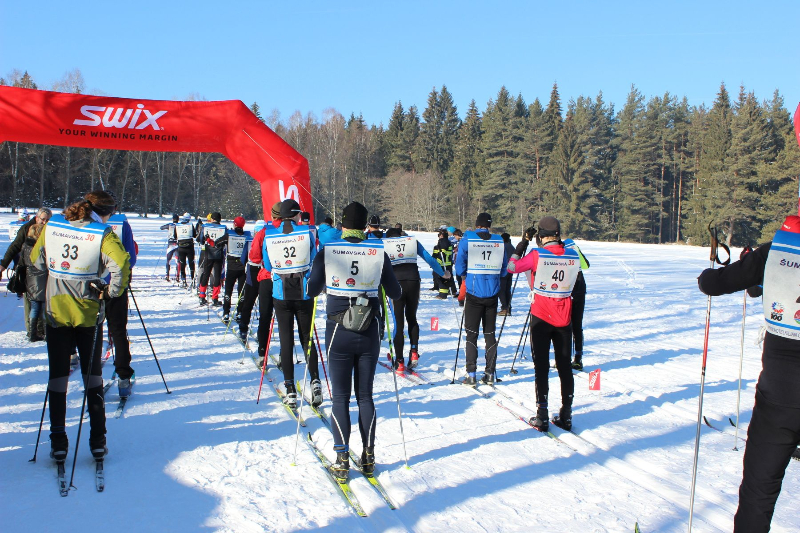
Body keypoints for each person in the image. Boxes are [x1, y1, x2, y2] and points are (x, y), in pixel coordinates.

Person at [697, 215, 800, 532]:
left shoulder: (777, 251)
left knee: (758, 493)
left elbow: (713, 283)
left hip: (780, 396)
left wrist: (713, 270)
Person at [31, 191, 131, 462]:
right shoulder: (103, 232)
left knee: (58, 379)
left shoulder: (52, 225)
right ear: (106, 212)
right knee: (92, 379)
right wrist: (112, 291)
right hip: (87, 313)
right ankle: (98, 442)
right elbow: (122, 262)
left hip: (56, 311)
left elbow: (36, 260)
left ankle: (58, 443)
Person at [307, 201, 402, 481]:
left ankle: (341, 458)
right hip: (369, 330)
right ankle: (369, 456)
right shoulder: (378, 251)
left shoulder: (328, 251)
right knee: (365, 396)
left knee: (340, 397)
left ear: (343, 225)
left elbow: (311, 290)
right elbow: (395, 293)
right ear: (365, 226)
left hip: (338, 331)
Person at [507, 216, 580, 432]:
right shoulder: (572, 254)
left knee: (541, 367)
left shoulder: (537, 254)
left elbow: (512, 267)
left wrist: (522, 244)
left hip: (541, 315)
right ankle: (566, 414)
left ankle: (542, 415)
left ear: (540, 235)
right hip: (564, 316)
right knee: (565, 366)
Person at [262, 199, 322, 407]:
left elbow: (267, 263)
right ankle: (314, 380)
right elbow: (315, 257)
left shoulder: (270, 235)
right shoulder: (307, 233)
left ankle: (289, 387)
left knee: (286, 339)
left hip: (281, 293)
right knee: (307, 338)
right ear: (296, 215)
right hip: (304, 292)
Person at [455, 213, 509, 385]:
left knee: (471, 335)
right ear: (489, 226)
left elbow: (459, 265)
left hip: (473, 292)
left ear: (477, 225)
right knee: (489, 334)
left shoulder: (467, 239)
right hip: (492, 293)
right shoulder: (498, 241)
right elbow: (504, 269)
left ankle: (471, 374)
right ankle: (490, 373)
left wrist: (465, 275)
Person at [384, 227, 449, 370]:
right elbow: (429, 259)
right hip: (413, 281)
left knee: (399, 323)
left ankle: (399, 361)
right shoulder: (411, 241)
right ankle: (414, 352)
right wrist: (442, 273)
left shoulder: (385, 242)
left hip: (396, 283)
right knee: (412, 317)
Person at [104, 208, 139, 397]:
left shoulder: (82, 225)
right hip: (115, 284)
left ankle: (89, 377)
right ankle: (123, 377)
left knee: (88, 331)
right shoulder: (122, 224)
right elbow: (130, 258)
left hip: (87, 287)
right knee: (118, 331)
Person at [1, 208, 52, 336]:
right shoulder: (26, 229)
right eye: (42, 219)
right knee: (31, 300)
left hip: (45, 271)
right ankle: (31, 330)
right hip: (27, 269)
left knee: (43, 300)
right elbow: (15, 247)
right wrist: (3, 265)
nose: (44, 222)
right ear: (36, 218)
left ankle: (41, 329)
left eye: (47, 220)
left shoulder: (50, 230)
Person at [248, 202, 283, 360]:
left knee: (265, 316)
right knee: (284, 318)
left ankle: (262, 352)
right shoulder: (294, 232)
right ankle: (285, 354)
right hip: (286, 280)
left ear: (272, 215)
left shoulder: (264, 232)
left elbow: (254, 257)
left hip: (267, 278)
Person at [216, 216, 250, 323]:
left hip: (231, 267)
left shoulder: (229, 235)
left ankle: (226, 313)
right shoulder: (248, 236)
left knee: (228, 290)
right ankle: (239, 313)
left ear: (234, 224)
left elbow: (217, 243)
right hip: (243, 267)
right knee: (241, 291)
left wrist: (209, 240)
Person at [562, 237, 590, 370]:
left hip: (566, 289)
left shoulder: (559, 246)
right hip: (580, 287)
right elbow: (586, 265)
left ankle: (563, 358)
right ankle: (578, 359)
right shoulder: (571, 244)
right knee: (577, 326)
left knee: (564, 324)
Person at [21, 223, 47, 342]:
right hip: (42, 276)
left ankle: (32, 332)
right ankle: (46, 333)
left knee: (35, 306)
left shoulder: (25, 245)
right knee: (45, 307)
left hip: (30, 277)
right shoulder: (40, 247)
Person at [198, 212, 227, 306]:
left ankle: (202, 296)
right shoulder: (223, 228)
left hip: (208, 254)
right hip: (219, 255)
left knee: (205, 274)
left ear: (212, 219)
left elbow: (201, 240)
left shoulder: (206, 227)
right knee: (217, 276)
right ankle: (215, 298)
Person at [433, 229, 457, 299]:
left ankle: (443, 294)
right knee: (449, 277)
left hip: (442, 263)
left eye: (439, 235)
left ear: (441, 235)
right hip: (448, 263)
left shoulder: (442, 242)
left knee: (441, 278)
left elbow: (439, 253)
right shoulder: (449, 242)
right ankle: (452, 290)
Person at [175, 213, 196, 287]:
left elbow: (175, 236)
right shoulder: (190, 225)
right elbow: (194, 234)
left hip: (181, 247)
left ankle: (183, 280)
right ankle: (193, 279)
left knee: (182, 263)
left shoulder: (177, 225)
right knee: (191, 263)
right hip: (189, 246)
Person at [498, 233, 516, 316]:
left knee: (501, 290)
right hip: (510, 270)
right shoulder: (512, 247)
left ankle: (504, 308)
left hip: (503, 271)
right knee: (507, 290)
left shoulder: (502, 247)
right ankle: (508, 307)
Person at [159, 214, 180, 281]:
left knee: (168, 260)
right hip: (177, 244)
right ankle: (177, 276)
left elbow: (161, 227)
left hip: (170, 244)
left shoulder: (170, 225)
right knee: (178, 261)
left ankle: (167, 275)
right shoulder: (180, 226)